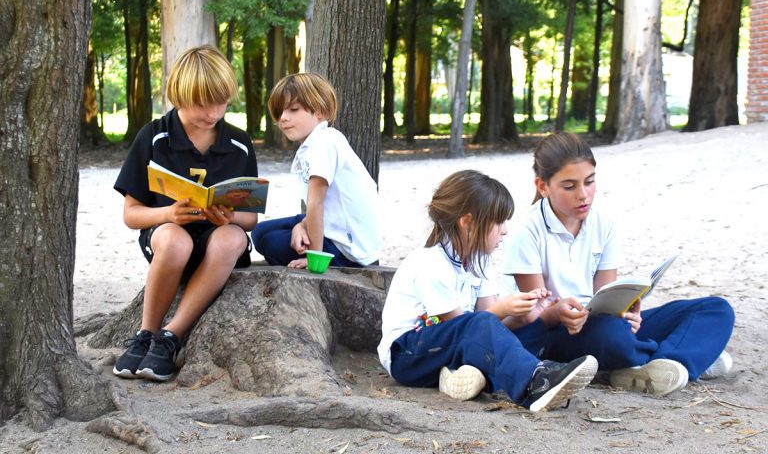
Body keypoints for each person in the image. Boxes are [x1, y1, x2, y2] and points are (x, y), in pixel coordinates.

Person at [502, 132, 735, 396]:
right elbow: (536, 314)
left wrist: (628, 312)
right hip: (558, 333)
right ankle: (683, 357)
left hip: (601, 324)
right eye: (569, 186)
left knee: (716, 309)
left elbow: (606, 295)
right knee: (613, 336)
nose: (583, 195)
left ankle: (656, 363)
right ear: (543, 186)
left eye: (589, 182)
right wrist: (560, 313)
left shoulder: (603, 223)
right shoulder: (527, 231)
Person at [377, 170, 598, 412]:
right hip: (408, 356)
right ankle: (536, 382)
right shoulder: (430, 263)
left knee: (533, 329)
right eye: (498, 222)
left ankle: (467, 377)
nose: (504, 231)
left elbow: (491, 326)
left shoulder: (477, 264)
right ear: (468, 222)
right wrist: (502, 309)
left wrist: (525, 314)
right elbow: (465, 328)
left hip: (445, 351)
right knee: (481, 325)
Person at [113, 45, 259, 381]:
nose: (211, 113)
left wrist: (230, 217)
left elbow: (250, 219)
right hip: (168, 239)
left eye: (220, 103)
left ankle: (170, 337)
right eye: (201, 104)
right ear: (179, 96)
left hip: (216, 246)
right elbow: (131, 215)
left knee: (231, 237)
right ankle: (146, 334)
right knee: (176, 241)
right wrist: (168, 214)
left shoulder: (238, 143)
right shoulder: (153, 137)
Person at [251, 73, 380, 269]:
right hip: (331, 227)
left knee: (271, 243)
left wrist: (315, 259)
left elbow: (316, 204)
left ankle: (322, 255)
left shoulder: (325, 142)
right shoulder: (314, 144)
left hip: (347, 250)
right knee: (260, 231)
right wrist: (300, 226)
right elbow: (324, 206)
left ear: (320, 111)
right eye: (279, 112)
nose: (283, 118)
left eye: (293, 110)